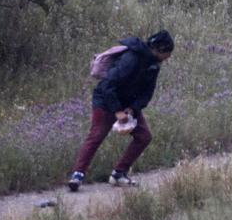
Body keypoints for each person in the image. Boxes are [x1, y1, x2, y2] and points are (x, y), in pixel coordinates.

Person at [68, 30, 174, 191]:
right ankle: (77, 175)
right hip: (105, 101)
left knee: (143, 137)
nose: (168, 57)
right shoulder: (130, 59)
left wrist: (132, 109)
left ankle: (118, 174)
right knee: (96, 136)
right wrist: (117, 111)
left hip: (128, 104)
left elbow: (147, 93)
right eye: (168, 52)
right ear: (158, 49)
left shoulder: (154, 64)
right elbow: (106, 85)